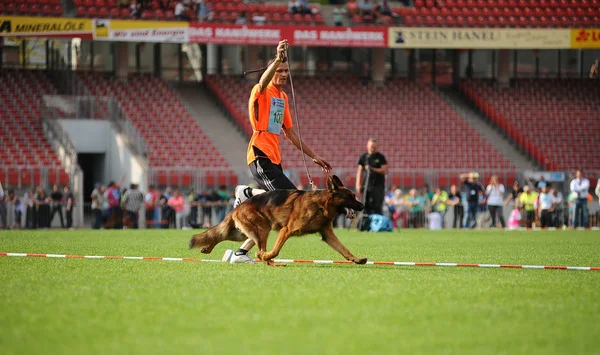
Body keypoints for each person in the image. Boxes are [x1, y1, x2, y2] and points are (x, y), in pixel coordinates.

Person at [225, 39, 332, 263]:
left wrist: (315, 157)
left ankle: (240, 253)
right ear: (272, 71)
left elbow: (291, 134)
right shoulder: (261, 91)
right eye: (279, 70)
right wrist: (278, 57)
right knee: (291, 203)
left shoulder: (282, 98)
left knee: (277, 211)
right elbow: (262, 81)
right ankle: (247, 195)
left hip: (274, 159)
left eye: (286, 70)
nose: (283, 74)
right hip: (259, 154)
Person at [356, 138, 388, 216]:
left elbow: (384, 170)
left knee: (377, 205)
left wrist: (372, 168)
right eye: (371, 147)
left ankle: (378, 224)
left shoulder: (381, 157)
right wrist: (358, 185)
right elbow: (359, 172)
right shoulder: (364, 157)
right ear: (367, 146)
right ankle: (365, 224)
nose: (373, 149)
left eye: (374, 147)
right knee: (365, 205)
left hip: (378, 186)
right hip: (366, 185)